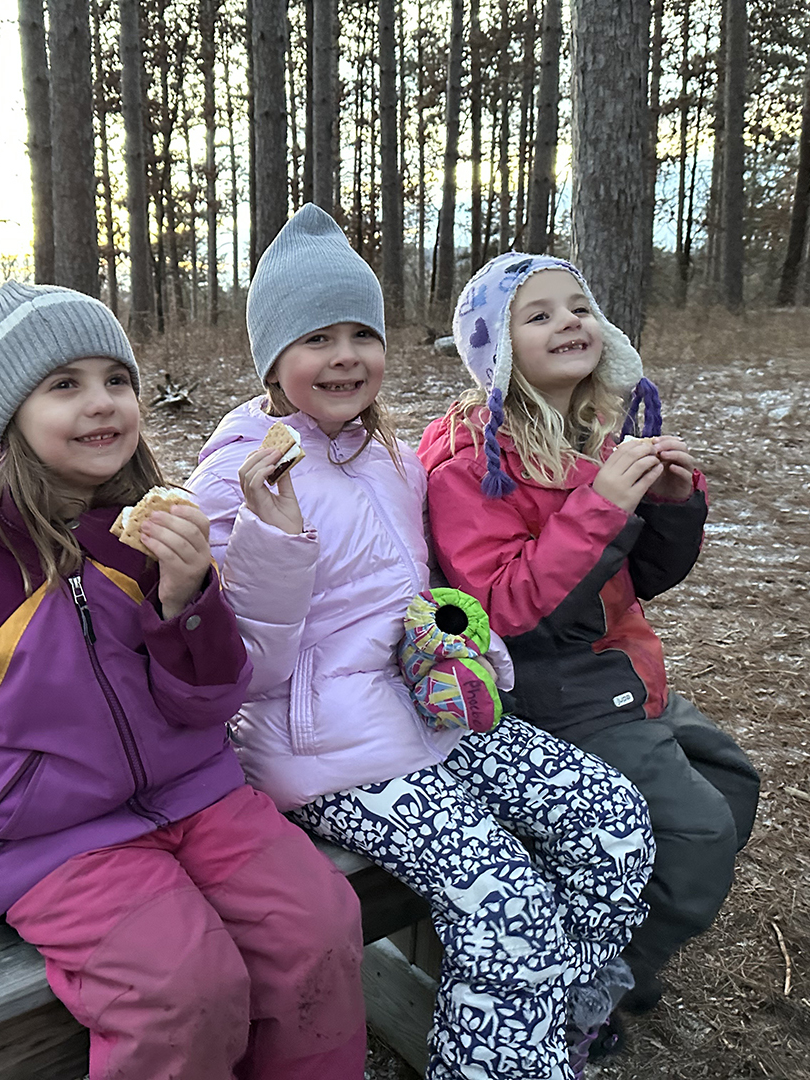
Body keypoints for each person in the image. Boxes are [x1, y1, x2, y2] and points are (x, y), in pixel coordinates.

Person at [186, 205, 655, 1080]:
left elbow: (426, 597)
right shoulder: (238, 474)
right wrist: (273, 541)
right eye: (316, 336)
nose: (345, 356)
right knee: (506, 899)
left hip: (432, 710)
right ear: (273, 359)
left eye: (363, 333)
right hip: (324, 747)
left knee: (611, 822)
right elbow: (245, 670)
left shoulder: (392, 459)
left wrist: (465, 647)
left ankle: (551, 1023)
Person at [0, 281, 368, 1080]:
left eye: (116, 380)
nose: (101, 404)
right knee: (183, 987)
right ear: (10, 415)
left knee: (320, 928)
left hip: (201, 794)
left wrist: (187, 599)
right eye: (65, 385)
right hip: (49, 838)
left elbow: (208, 703)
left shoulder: (153, 522)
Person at [418, 252, 761, 1020]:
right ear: (497, 351)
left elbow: (640, 579)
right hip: (553, 690)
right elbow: (504, 612)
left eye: (579, 306)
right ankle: (591, 986)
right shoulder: (471, 463)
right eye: (538, 315)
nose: (570, 322)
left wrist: (673, 503)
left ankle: (617, 935)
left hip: (622, 669)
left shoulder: (591, 433)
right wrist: (600, 507)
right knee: (700, 834)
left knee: (734, 790)